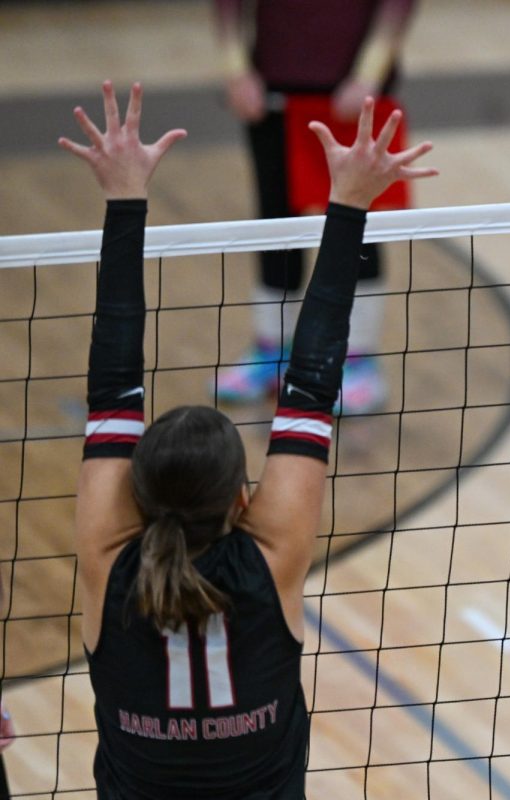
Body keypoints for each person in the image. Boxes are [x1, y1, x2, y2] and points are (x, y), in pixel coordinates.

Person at [62, 80, 435, 798]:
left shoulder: (110, 563)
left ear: (135, 498)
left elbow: (114, 385)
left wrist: (124, 199)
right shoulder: (270, 559)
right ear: (242, 497)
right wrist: (352, 202)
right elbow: (314, 382)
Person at [213, 0, 420, 414]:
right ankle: (272, 348)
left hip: (355, 95)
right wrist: (236, 71)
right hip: (272, 96)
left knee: (357, 225)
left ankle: (357, 359)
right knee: (274, 222)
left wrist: (368, 74)